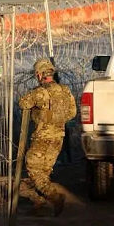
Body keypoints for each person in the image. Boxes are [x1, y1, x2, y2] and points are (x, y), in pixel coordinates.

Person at [18, 57, 76, 216]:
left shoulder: (40, 93)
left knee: (32, 167)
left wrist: (40, 114)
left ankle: (54, 197)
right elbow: (72, 113)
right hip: (58, 137)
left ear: (39, 75)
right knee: (44, 170)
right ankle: (39, 203)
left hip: (42, 137)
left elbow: (23, 103)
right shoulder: (65, 90)